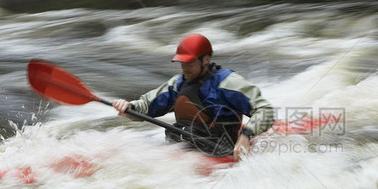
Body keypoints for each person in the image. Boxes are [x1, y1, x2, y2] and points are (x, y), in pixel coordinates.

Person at [112, 33, 274, 160]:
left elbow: (264, 110)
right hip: (183, 146)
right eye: (182, 63)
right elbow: (147, 105)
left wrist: (246, 135)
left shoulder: (227, 83)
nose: (184, 68)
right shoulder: (178, 83)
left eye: (189, 63)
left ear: (206, 60)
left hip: (219, 148)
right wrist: (129, 107)